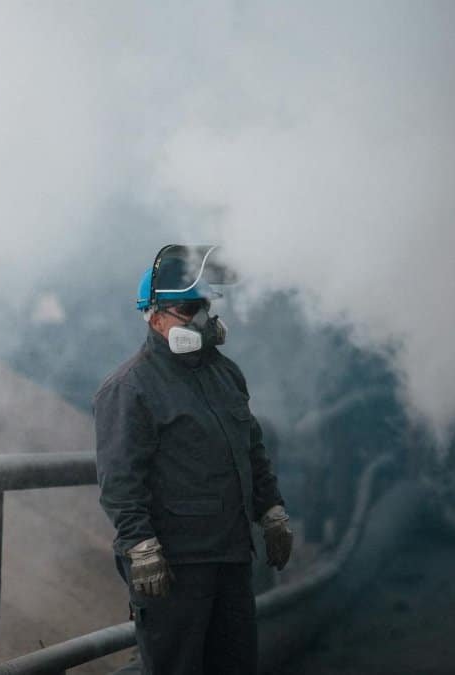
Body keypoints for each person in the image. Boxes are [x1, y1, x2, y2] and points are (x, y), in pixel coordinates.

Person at [94, 245, 294, 675]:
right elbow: (120, 480)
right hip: (175, 566)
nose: (201, 318)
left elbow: (251, 450)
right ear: (154, 317)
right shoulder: (130, 388)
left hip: (231, 556)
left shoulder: (225, 373)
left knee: (236, 665)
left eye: (204, 306)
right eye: (188, 309)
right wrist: (141, 547)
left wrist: (271, 511)